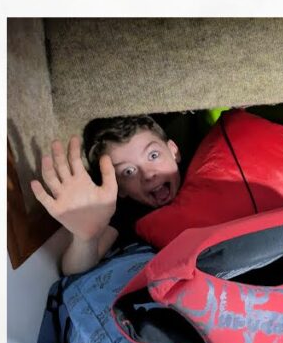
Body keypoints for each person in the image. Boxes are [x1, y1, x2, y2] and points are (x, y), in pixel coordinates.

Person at [30, 115, 181, 276]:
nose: (148, 174)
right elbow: (73, 270)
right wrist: (86, 238)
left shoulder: (201, 168)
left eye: (153, 155)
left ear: (174, 151)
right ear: (119, 188)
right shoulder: (126, 211)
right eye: (128, 171)